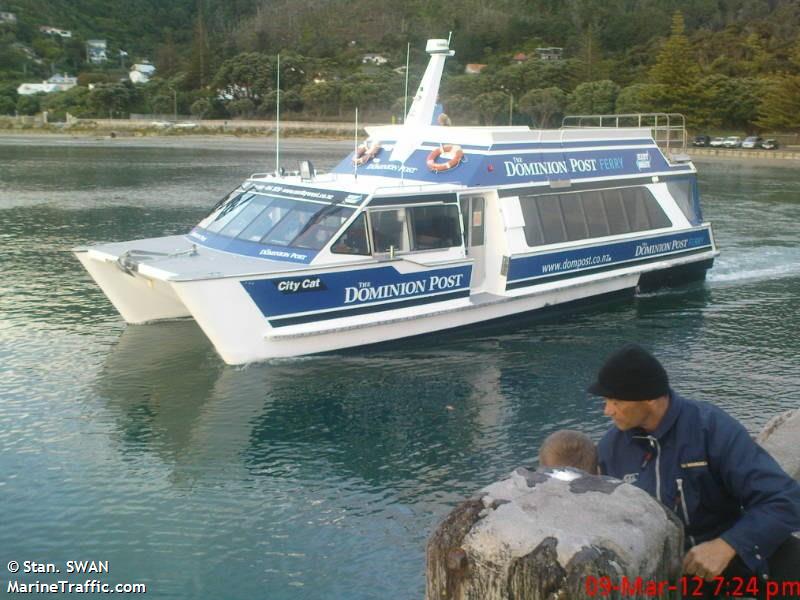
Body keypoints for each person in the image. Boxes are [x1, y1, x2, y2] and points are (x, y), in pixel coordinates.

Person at [589, 343, 800, 594]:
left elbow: (784, 498)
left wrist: (728, 545)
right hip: (662, 574)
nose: (607, 410)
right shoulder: (610, 449)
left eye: (615, 401)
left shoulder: (711, 429)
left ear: (650, 399)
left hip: (727, 556)